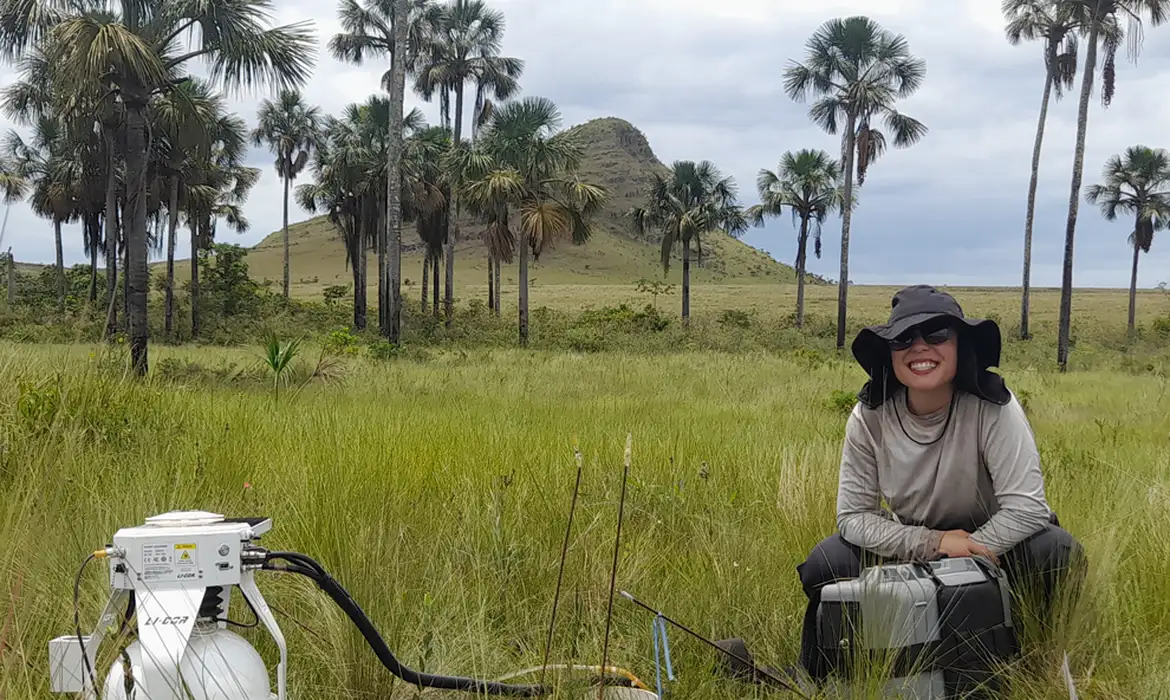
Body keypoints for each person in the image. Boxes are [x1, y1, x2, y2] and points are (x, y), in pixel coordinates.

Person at [795, 285, 1086, 682]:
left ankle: (1034, 661)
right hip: (915, 542)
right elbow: (853, 517)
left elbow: (1028, 508)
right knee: (825, 563)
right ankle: (831, 673)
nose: (919, 348)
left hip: (999, 546)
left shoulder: (993, 406)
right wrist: (936, 544)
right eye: (904, 339)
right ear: (890, 352)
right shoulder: (869, 416)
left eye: (936, 335)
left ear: (959, 344)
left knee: (1056, 551)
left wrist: (968, 554)